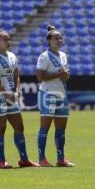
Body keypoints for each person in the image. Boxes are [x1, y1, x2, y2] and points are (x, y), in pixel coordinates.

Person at [0, 30, 40, 168]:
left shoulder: (12, 56)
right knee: (1, 129)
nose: (8, 42)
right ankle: (1, 161)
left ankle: (24, 159)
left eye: (9, 39)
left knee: (19, 127)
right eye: (5, 39)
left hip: (11, 96)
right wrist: (7, 94)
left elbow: (16, 75)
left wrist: (16, 91)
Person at [37, 25, 74, 167]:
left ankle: (60, 159)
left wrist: (65, 76)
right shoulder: (44, 56)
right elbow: (40, 76)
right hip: (47, 94)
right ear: (49, 40)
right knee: (45, 127)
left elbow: (64, 76)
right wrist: (59, 74)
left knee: (61, 129)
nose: (60, 40)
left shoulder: (63, 55)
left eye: (61, 38)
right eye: (56, 38)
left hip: (61, 94)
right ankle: (42, 159)